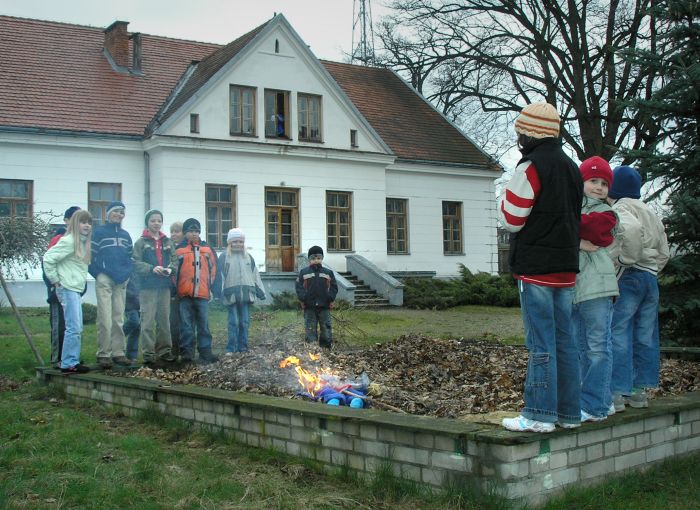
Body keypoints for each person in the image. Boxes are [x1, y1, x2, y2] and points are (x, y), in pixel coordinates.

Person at [499, 102, 583, 433]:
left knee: (541, 344)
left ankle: (538, 414)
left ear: (528, 133)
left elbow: (512, 219)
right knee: (565, 341)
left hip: (536, 269)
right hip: (566, 267)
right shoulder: (572, 168)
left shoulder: (531, 167)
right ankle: (568, 413)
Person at [607, 166, 669, 411]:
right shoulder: (650, 211)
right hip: (649, 279)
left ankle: (618, 392)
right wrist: (652, 268)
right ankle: (639, 391)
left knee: (619, 331)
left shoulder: (621, 207)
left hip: (629, 276)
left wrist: (626, 260)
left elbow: (630, 231)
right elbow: (664, 251)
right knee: (645, 333)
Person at [573, 157, 619, 422]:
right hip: (576, 286)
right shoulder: (570, 207)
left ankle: (596, 407)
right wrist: (576, 240)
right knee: (581, 348)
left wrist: (569, 230)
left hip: (599, 288)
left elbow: (595, 231)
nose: (600, 187)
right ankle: (596, 399)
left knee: (598, 348)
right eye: (593, 181)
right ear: (581, 182)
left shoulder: (608, 213)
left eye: (604, 183)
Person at [42, 210, 93, 374]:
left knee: (77, 327)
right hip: (67, 288)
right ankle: (69, 363)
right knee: (74, 327)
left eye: (89, 222)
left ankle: (71, 360)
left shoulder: (83, 243)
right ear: (74, 224)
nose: (86, 225)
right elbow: (48, 258)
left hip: (75, 289)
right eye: (82, 222)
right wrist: (55, 280)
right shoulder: (69, 241)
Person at [89, 200, 133, 369]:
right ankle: (103, 353)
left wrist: (127, 274)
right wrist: (99, 274)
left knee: (118, 318)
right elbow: (91, 257)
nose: (119, 215)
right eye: (115, 211)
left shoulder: (125, 235)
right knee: (104, 317)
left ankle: (118, 352)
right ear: (108, 214)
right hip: (105, 279)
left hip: (121, 281)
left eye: (122, 212)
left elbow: (130, 258)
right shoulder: (99, 233)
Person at [133, 209, 177, 367]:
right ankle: (148, 353)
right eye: (153, 220)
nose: (156, 223)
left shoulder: (167, 241)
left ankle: (164, 351)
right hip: (148, 286)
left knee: (164, 319)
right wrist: (151, 268)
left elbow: (174, 260)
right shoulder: (140, 242)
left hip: (164, 285)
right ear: (147, 222)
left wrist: (170, 269)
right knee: (148, 320)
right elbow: (135, 262)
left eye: (159, 220)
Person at [214, 228, 266, 353]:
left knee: (244, 322)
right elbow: (219, 276)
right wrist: (218, 293)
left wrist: (261, 291)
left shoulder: (248, 257)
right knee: (234, 322)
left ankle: (243, 347)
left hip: (246, 295)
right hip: (231, 295)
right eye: (235, 241)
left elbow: (255, 275)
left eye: (240, 241)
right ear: (229, 243)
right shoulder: (224, 257)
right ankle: (231, 348)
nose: (238, 244)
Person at [175, 218, 219, 363]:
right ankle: (187, 353)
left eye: (196, 231)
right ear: (184, 233)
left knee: (203, 325)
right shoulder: (179, 250)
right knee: (186, 326)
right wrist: (175, 289)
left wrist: (210, 287)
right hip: (184, 295)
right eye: (190, 231)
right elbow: (174, 271)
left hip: (202, 294)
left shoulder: (207, 249)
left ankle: (205, 352)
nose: (193, 234)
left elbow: (214, 270)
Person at [42, 205, 81, 368]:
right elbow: (48, 261)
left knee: (72, 325)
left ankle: (69, 357)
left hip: (72, 287)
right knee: (61, 325)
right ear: (66, 221)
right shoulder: (60, 239)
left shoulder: (78, 239)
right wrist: (54, 284)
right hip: (59, 289)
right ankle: (57, 359)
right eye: (76, 219)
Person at [295, 246, 338, 349]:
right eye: (313, 259)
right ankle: (312, 349)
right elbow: (299, 286)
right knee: (310, 329)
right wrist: (303, 298)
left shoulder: (328, 273)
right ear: (309, 260)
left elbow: (334, 286)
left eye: (318, 258)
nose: (316, 261)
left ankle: (326, 349)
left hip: (324, 306)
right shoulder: (304, 272)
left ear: (322, 259)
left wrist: (330, 297)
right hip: (309, 306)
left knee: (326, 328)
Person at [169, 221, 184, 357]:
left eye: (177, 231)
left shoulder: (186, 248)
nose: (174, 234)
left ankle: (184, 347)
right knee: (172, 321)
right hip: (171, 288)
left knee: (184, 321)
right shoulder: (168, 248)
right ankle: (173, 348)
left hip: (184, 289)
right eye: (172, 231)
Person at [122, 274, 140, 363]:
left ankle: (131, 355)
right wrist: (135, 294)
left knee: (137, 329)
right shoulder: (128, 271)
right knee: (134, 322)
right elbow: (124, 288)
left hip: (139, 304)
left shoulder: (138, 270)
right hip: (129, 304)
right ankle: (117, 336)